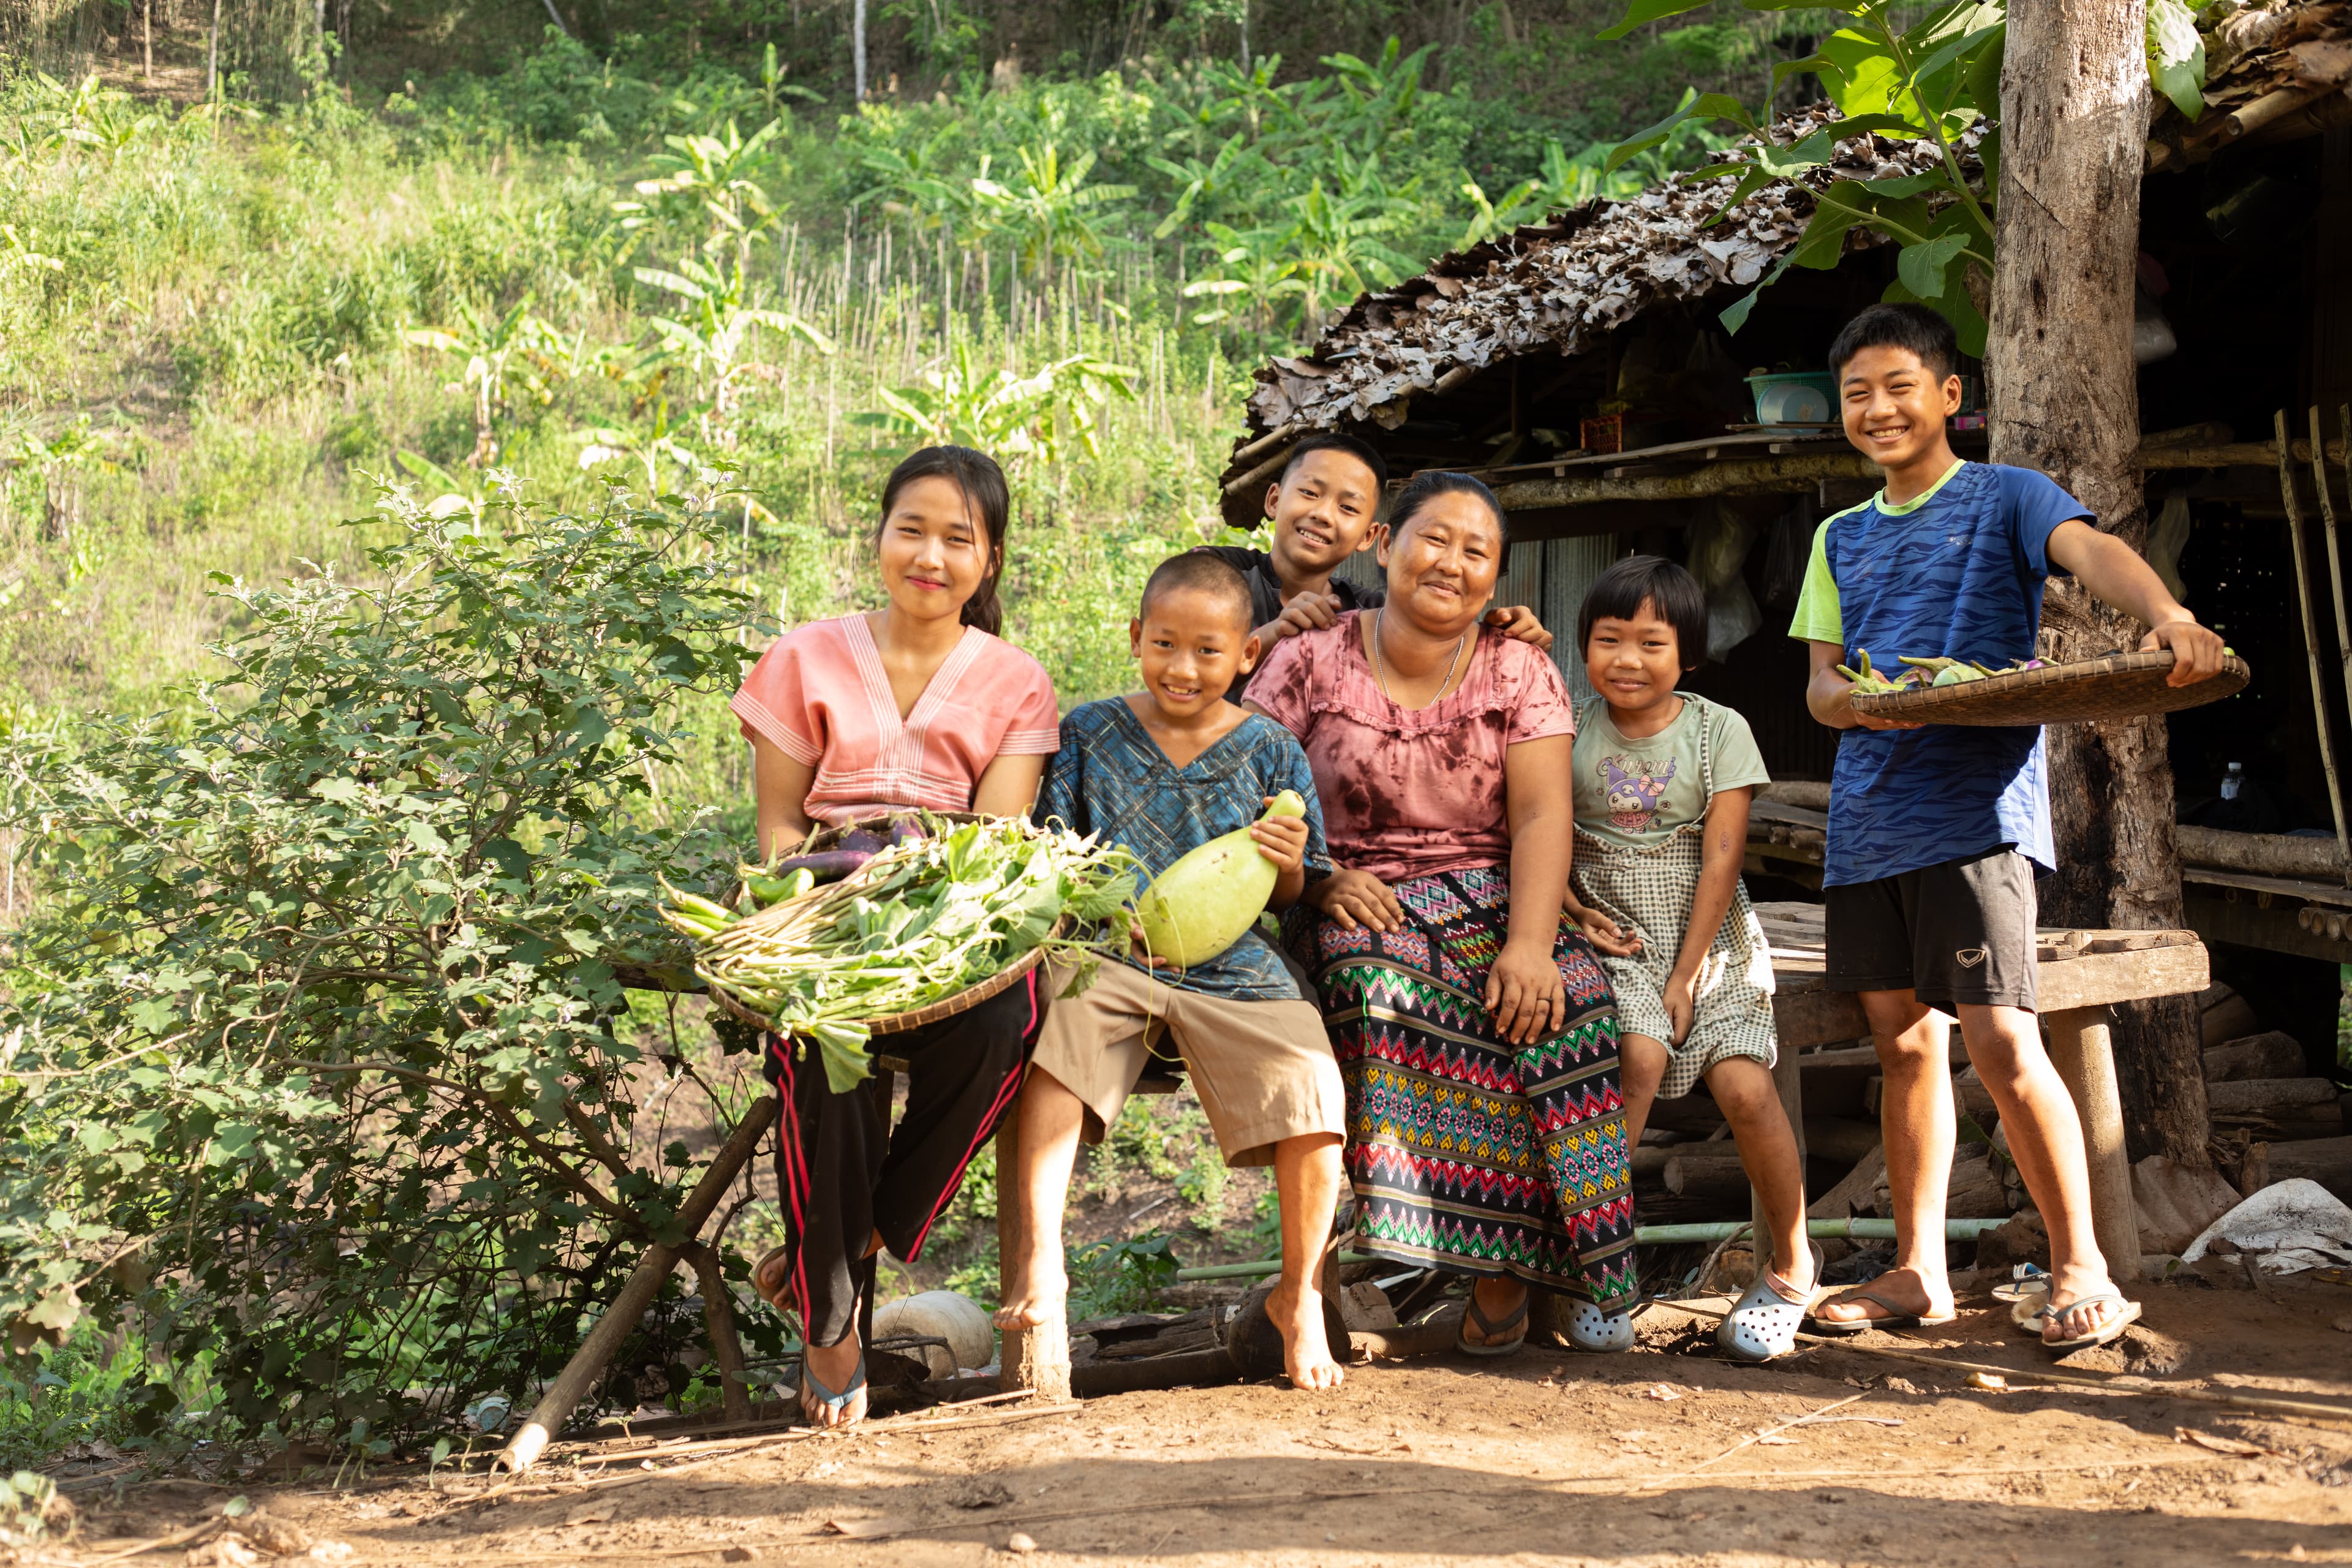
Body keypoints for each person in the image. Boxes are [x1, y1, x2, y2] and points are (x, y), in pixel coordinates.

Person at [1792, 303, 2226, 1352]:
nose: (1878, 408)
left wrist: (2165, 618)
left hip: (1977, 814)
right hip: (1869, 820)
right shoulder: (1837, 536)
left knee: (1997, 1034)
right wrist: (1859, 702)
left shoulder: (2006, 499)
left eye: (1901, 386)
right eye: (1858, 393)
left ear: (1949, 397)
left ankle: (2081, 1262)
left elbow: (2094, 554)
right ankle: (1917, 1271)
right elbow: (1817, 686)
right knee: (1903, 1047)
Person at [1250, 470, 1640, 1357]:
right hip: (1350, 891)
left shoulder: (1519, 666)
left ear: (1496, 579)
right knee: (1382, 992)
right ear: (1384, 545)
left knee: (1569, 1002)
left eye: (1477, 552)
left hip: (1493, 889)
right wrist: (1317, 881)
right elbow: (1252, 795)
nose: (1451, 564)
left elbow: (1543, 814)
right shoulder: (1308, 658)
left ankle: (1510, 1273)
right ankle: (1426, 1254)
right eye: (1434, 539)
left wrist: (1533, 943)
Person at [728, 445, 1061, 1427]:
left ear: (990, 559)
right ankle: (831, 1325)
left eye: (958, 538)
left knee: (1009, 1020)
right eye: (910, 529)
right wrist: (819, 904)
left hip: (949, 904)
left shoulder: (1016, 681)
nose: (930, 554)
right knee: (829, 1057)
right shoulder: (806, 655)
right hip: (824, 899)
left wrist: (925, 900)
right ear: (878, 537)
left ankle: (850, 1234)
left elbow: (993, 841)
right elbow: (782, 829)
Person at [994, 552, 1349, 1390]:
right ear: (1135, 639)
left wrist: (1291, 859)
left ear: (1246, 657)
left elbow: (1293, 890)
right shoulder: (1087, 732)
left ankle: (1298, 1297)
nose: (1183, 669)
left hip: (1231, 962)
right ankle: (1044, 1261)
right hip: (1113, 949)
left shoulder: (1272, 749)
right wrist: (1096, 911)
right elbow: (1053, 853)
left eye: (1207, 652)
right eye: (1164, 645)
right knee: (1059, 1049)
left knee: (1315, 1089)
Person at [1564, 555, 1812, 1362]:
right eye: (1608, 640)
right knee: (1635, 1053)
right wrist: (1575, 914)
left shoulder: (1718, 731)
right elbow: (1539, 839)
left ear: (1690, 655)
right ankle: (1598, 1267)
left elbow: (1721, 861)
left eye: (1650, 643)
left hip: (1708, 935)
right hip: (1610, 930)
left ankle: (1789, 1268)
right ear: (1583, 646)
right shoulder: (1564, 726)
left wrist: (1686, 974)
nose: (1627, 660)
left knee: (1744, 1084)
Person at [1196, 430, 1552, 702]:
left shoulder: (1366, 613)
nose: (1322, 514)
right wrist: (1276, 634)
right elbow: (1181, 671)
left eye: (1348, 508)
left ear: (1370, 536)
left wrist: (1504, 635)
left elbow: (1438, 640)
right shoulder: (1209, 574)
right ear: (1273, 500)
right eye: (1309, 493)